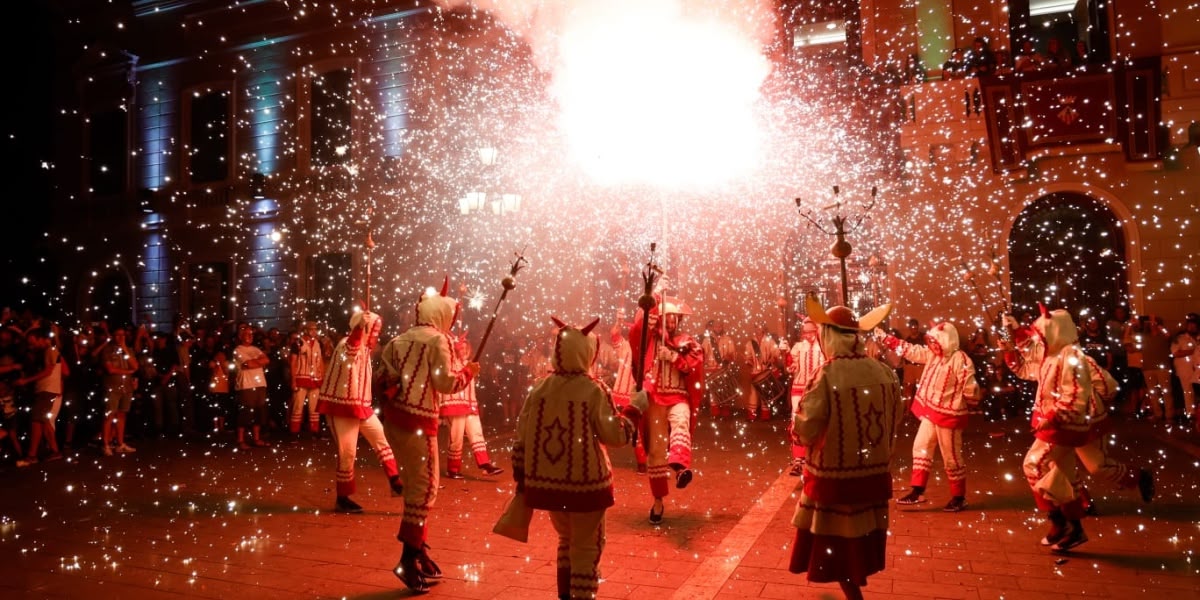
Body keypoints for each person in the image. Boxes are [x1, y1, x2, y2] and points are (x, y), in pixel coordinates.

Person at [508, 317, 643, 600]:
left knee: (566, 541)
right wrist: (634, 410)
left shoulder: (539, 388)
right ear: (586, 353)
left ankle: (565, 596)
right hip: (586, 487)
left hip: (550, 487)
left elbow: (521, 437)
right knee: (586, 548)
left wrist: (522, 480)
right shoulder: (593, 390)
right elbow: (615, 436)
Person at [789, 296, 903, 600]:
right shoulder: (885, 373)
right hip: (873, 478)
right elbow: (896, 419)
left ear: (828, 336)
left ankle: (855, 596)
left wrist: (797, 431)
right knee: (859, 542)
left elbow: (806, 427)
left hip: (835, 481)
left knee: (838, 547)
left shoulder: (828, 373)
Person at [378, 282, 479, 593]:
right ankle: (407, 558)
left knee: (415, 484)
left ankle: (418, 549)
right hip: (421, 421)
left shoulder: (397, 340)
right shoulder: (439, 341)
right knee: (425, 490)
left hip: (395, 420)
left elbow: (385, 378)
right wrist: (468, 373)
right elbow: (445, 383)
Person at [1002, 306, 1112, 551]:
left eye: (1042, 334)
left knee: (1035, 464)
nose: (1039, 338)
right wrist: (1012, 344)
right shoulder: (1052, 356)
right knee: (1062, 474)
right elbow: (1026, 369)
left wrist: (1054, 415)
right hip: (1053, 424)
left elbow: (1076, 393)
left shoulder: (1071, 356)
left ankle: (1061, 522)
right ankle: (1071, 527)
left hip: (1063, 425)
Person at [878, 321, 981, 512]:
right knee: (921, 448)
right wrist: (887, 339)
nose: (932, 345)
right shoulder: (933, 356)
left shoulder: (960, 359)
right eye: (931, 341)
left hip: (949, 415)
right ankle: (917, 491)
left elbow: (970, 387)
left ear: (946, 340)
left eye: (936, 341)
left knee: (951, 457)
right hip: (930, 412)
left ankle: (959, 497)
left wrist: (970, 399)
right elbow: (912, 351)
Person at [315, 310, 402, 513]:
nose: (376, 337)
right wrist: (359, 328)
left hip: (361, 407)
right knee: (348, 454)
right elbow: (351, 348)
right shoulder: (347, 343)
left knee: (381, 441)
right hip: (342, 408)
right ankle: (342, 498)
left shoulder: (365, 349)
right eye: (374, 332)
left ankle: (396, 481)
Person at [628, 295, 704, 525]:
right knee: (657, 452)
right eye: (666, 318)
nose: (671, 322)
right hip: (654, 401)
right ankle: (658, 501)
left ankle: (681, 467)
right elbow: (635, 333)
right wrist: (652, 302)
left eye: (674, 318)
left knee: (681, 424)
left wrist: (674, 358)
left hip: (678, 395)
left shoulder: (687, 341)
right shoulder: (649, 341)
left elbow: (695, 363)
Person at [440, 334, 504, 479]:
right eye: (460, 348)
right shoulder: (450, 364)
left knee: (477, 433)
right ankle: (453, 469)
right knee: (456, 438)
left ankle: (485, 465)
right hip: (454, 404)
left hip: (469, 404)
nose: (463, 351)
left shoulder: (470, 364)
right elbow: (452, 380)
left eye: (465, 348)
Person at [15, 327, 65, 466]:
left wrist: (26, 380)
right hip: (46, 389)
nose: (32, 345)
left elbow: (49, 371)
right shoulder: (45, 351)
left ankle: (32, 455)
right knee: (43, 421)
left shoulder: (51, 350)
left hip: (47, 389)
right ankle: (54, 451)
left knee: (36, 421)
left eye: (33, 341)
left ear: (42, 339)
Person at [785, 317, 824, 476]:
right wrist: (786, 354)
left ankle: (816, 458)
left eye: (811, 331)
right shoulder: (799, 347)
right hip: (799, 389)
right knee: (798, 423)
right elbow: (791, 368)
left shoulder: (824, 347)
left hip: (817, 389)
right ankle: (798, 460)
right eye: (805, 332)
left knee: (817, 423)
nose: (808, 335)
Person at [607, 322, 647, 473]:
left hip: (641, 391)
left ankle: (643, 461)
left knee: (641, 428)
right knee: (623, 424)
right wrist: (615, 333)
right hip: (625, 391)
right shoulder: (626, 345)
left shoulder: (648, 347)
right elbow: (617, 341)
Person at [100, 326, 139, 456]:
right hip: (112, 387)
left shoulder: (129, 350)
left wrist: (125, 350)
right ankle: (106, 444)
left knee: (122, 415)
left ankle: (120, 443)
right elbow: (110, 369)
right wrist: (128, 372)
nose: (121, 337)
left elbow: (135, 366)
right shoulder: (107, 350)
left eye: (123, 335)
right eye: (118, 335)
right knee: (109, 415)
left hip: (126, 387)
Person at [232, 325, 271, 449]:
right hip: (246, 385)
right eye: (247, 334)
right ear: (240, 336)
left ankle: (256, 438)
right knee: (245, 413)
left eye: (251, 334)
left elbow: (266, 360)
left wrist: (255, 362)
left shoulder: (256, 349)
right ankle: (240, 440)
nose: (250, 336)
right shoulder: (238, 350)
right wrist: (257, 362)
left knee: (259, 412)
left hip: (259, 383)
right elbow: (247, 363)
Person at [288, 321, 326, 440]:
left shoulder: (318, 343)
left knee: (314, 407)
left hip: (315, 379)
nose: (314, 331)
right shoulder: (298, 343)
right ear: (306, 330)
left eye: (315, 329)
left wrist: (322, 377)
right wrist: (293, 380)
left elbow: (320, 361)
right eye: (312, 329)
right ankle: (294, 432)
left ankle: (315, 431)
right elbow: (293, 362)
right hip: (301, 378)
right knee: (298, 406)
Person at [1169, 314, 1198, 428]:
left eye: (1194, 325)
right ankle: (1191, 414)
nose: (1191, 327)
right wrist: (1193, 351)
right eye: (1190, 324)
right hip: (1185, 369)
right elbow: (1175, 353)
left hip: (1198, 369)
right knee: (1188, 392)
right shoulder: (1180, 338)